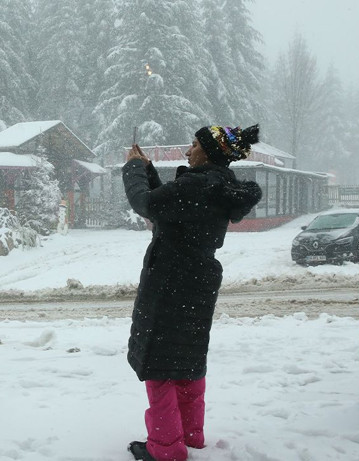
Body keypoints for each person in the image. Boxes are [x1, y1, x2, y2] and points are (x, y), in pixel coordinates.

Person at [121, 124, 263, 461]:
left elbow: (146, 203)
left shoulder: (196, 185)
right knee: (185, 362)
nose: (188, 151)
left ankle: (165, 449)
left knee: (159, 364)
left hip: (170, 282)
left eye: (195, 144)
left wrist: (133, 168)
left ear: (210, 152)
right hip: (197, 283)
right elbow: (168, 207)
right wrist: (149, 171)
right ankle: (190, 436)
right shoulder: (217, 186)